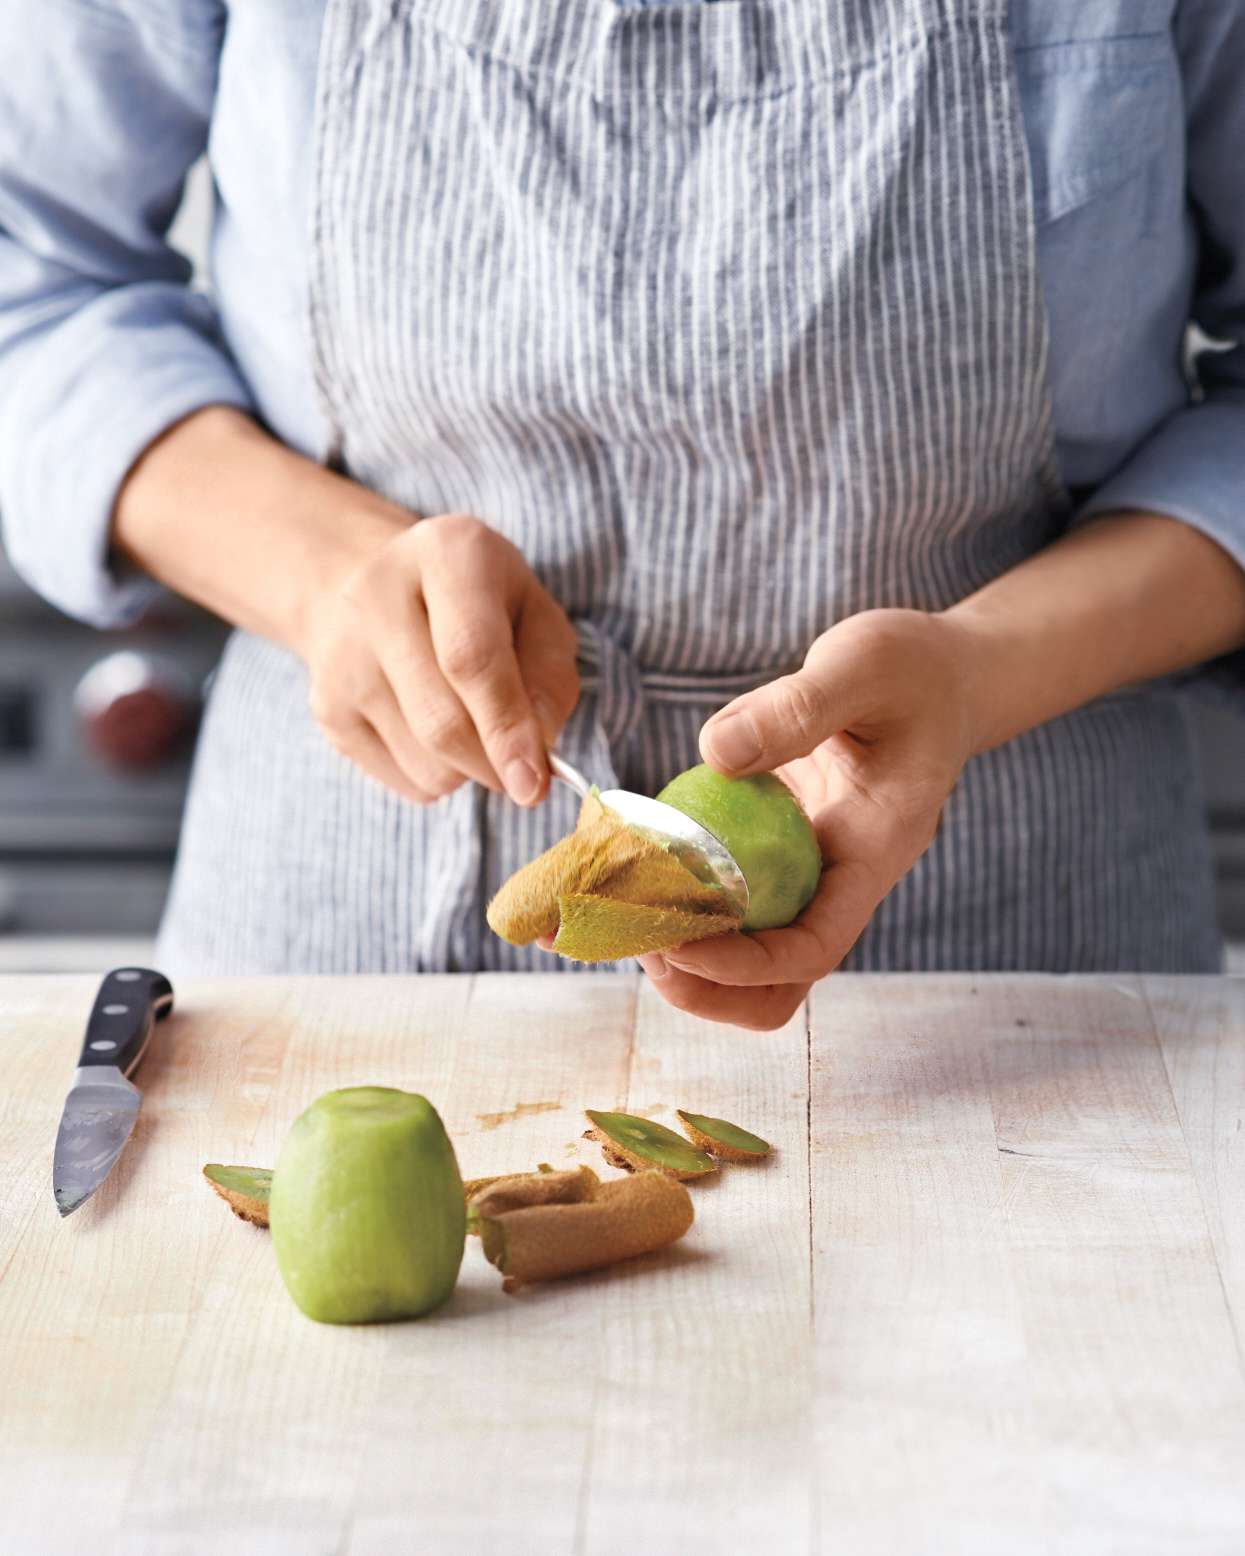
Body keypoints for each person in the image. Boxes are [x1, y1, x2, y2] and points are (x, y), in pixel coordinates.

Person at [2, 0, 1243, 1029]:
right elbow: (36, 278)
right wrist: (322, 574)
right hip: (344, 937)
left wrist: (981, 672)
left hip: (1029, 970)